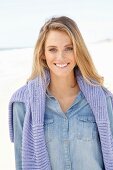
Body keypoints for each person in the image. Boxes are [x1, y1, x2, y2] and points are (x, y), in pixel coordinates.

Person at [8, 16, 113, 170]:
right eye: (52, 49)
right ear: (43, 54)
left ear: (78, 51)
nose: (61, 57)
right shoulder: (22, 103)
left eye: (69, 48)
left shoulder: (102, 99)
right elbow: (21, 163)